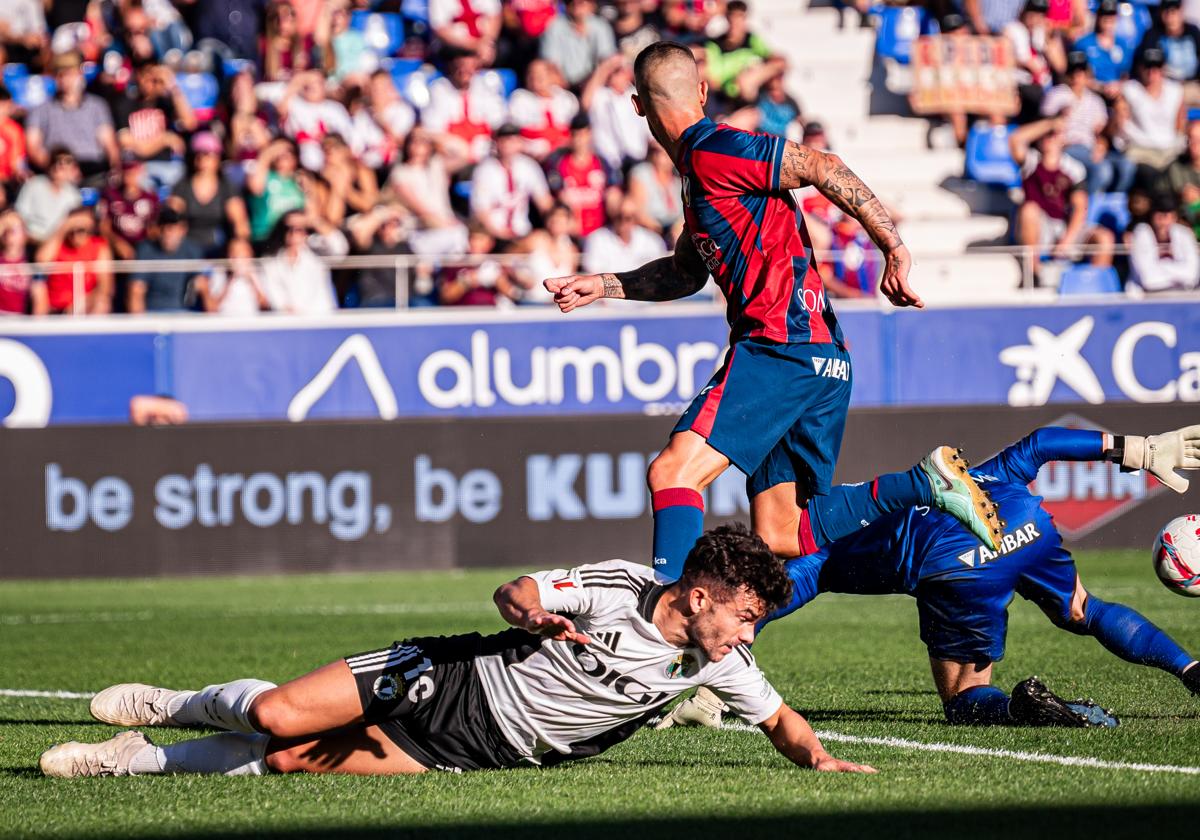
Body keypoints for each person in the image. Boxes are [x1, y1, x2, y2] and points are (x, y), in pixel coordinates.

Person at [545, 41, 1003, 585]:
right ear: (702, 90)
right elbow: (685, 273)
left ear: (638, 106)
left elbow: (821, 165)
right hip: (821, 357)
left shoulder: (717, 149)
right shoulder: (699, 176)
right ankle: (925, 484)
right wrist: (604, 285)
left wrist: (894, 248)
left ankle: (665, 628)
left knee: (673, 473)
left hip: (779, 348)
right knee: (781, 531)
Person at [42, 524, 876, 778]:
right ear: (698, 597)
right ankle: (170, 705)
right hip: (448, 681)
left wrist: (824, 762)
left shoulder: (720, 662)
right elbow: (516, 592)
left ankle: (130, 761)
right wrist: (532, 617)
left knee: (291, 762)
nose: (746, 633)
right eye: (741, 615)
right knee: (274, 714)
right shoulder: (620, 585)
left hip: (486, 752)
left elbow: (783, 722)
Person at [662, 425, 1200, 730]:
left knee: (963, 696)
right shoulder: (998, 470)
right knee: (1082, 607)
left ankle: (688, 655)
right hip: (1026, 527)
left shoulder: (863, 521)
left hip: (949, 561)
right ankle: (1190, 668)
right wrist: (1135, 449)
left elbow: (812, 567)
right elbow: (1042, 443)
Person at [1009, 114, 1115, 281]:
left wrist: (1067, 240)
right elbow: (1015, 139)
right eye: (1047, 135)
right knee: (1029, 210)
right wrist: (1050, 123)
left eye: (1054, 134)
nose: (1050, 138)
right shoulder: (1031, 162)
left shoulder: (1074, 168)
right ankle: (1034, 274)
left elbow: (1081, 207)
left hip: (1065, 226)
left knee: (1104, 238)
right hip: (1039, 226)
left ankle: (1094, 285)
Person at [1041, 50, 1134, 194]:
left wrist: (1101, 146)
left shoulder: (1095, 101)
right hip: (1068, 145)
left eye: (1081, 71)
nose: (1077, 76)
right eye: (1073, 71)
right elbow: (1044, 127)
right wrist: (1058, 118)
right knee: (1103, 171)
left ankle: (1109, 204)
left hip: (1090, 146)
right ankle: (1085, 209)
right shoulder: (1057, 94)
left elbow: (1101, 133)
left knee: (1127, 166)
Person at [24, 51, 118, 181]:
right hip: (56, 171)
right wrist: (59, 170)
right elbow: (33, 148)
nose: (64, 80)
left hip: (92, 168)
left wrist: (115, 170)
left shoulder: (97, 106)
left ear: (80, 75)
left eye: (69, 74)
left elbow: (109, 144)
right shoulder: (40, 110)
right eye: (59, 75)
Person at [112, 57, 197, 190]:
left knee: (183, 182)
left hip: (167, 165)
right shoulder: (125, 103)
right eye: (146, 75)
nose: (150, 81)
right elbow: (125, 141)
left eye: (155, 77)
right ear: (137, 76)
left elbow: (189, 123)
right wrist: (164, 139)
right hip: (137, 167)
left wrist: (173, 87)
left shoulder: (165, 103)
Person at [387, 127, 470, 257]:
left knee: (459, 237)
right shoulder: (401, 172)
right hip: (420, 231)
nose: (418, 145)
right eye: (414, 141)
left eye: (423, 141)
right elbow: (418, 207)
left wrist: (430, 134)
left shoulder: (436, 166)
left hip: (445, 227)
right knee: (457, 236)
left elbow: (463, 152)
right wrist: (443, 222)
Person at [168, 132, 251, 256]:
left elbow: (240, 224)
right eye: (198, 154)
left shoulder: (226, 187)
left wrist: (239, 243)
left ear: (217, 158)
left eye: (208, 154)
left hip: (219, 246)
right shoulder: (182, 186)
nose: (202, 158)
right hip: (187, 246)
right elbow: (171, 218)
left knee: (240, 247)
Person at [469, 123, 553, 244]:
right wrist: (502, 234)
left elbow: (544, 202)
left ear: (520, 142)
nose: (508, 144)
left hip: (522, 232)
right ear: (496, 143)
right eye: (504, 140)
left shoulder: (528, 166)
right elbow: (481, 211)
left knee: (545, 241)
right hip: (493, 235)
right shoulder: (485, 170)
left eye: (512, 140)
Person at [544, 112, 621, 238]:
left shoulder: (603, 164)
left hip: (602, 231)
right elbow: (559, 199)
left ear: (590, 134)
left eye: (583, 134)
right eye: (576, 135)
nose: (580, 139)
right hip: (572, 232)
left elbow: (614, 195)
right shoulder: (559, 164)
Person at [260, 210, 343, 315]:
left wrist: (313, 221)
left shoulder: (316, 247)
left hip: (321, 319)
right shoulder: (272, 261)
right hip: (290, 322)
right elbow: (274, 294)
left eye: (299, 228)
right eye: (288, 228)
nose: (294, 233)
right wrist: (286, 310)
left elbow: (340, 247)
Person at [127, 207, 207, 313]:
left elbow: (203, 286)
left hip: (184, 314)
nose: (168, 234)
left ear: (183, 230)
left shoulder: (192, 250)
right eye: (165, 228)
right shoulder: (145, 250)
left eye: (173, 229)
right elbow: (136, 291)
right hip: (152, 313)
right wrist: (141, 325)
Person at [36, 206, 114, 315]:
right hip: (56, 308)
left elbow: (105, 286)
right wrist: (64, 227)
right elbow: (41, 261)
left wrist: (79, 305)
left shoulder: (99, 246)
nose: (76, 233)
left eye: (81, 229)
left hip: (86, 306)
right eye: (73, 228)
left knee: (102, 303)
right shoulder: (58, 244)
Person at [508, 59, 579, 160]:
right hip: (533, 157)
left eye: (542, 73)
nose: (536, 77)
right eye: (532, 73)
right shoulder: (520, 99)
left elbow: (576, 132)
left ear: (552, 76)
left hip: (565, 155)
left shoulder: (566, 99)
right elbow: (516, 135)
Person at [1128, 193, 1200, 292]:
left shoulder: (1184, 233)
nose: (1164, 221)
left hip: (1182, 295)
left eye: (1169, 216)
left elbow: (1192, 276)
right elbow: (1148, 280)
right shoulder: (1141, 233)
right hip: (1147, 298)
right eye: (1160, 216)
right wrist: (1178, 272)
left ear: (1175, 217)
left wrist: (1161, 268)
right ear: (1152, 216)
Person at [346, 204, 413, 307]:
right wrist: (383, 213)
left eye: (396, 223)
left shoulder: (406, 246)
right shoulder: (371, 244)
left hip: (404, 302)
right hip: (375, 301)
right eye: (386, 223)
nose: (391, 227)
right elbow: (360, 235)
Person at [581, 197, 669, 275]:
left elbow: (659, 272)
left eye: (628, 217)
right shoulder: (596, 239)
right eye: (619, 216)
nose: (623, 221)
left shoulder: (652, 240)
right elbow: (593, 273)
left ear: (635, 218)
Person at [541, 0, 616, 89]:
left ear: (592, 5)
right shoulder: (554, 26)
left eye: (581, 2)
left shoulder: (601, 26)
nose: (577, 6)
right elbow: (551, 64)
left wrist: (591, 85)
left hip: (595, 85)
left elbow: (607, 61)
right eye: (572, 2)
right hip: (562, 86)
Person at [1135, 0, 1200, 102]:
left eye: (1174, 11)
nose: (1170, 17)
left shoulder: (1193, 31)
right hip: (1166, 86)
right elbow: (1145, 65)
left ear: (1181, 11)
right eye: (1166, 12)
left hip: (1192, 84)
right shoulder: (1153, 34)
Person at [14, 146, 82, 244]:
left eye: (67, 162)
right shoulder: (33, 185)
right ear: (50, 163)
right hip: (31, 240)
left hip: (59, 243)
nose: (60, 165)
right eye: (57, 161)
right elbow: (19, 215)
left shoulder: (74, 195)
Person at [247, 138, 306, 245]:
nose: (281, 156)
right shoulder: (266, 177)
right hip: (266, 237)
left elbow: (313, 211)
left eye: (288, 152)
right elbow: (255, 187)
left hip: (294, 239)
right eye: (278, 152)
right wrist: (267, 154)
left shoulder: (301, 180)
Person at [98, 158, 160, 261]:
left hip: (142, 247)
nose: (130, 175)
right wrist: (117, 243)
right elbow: (103, 227)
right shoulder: (109, 195)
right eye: (126, 171)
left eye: (133, 171)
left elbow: (153, 229)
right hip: (116, 246)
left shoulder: (151, 198)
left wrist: (145, 248)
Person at [1073, 0, 1131, 96]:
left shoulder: (1123, 44)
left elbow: (1125, 74)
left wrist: (1118, 86)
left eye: (1112, 15)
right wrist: (1101, 87)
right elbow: (1076, 76)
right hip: (1090, 93)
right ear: (1098, 16)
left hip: (1117, 93)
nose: (1108, 19)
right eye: (1105, 15)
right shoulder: (1083, 43)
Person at [198, 238, 270, 316]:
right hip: (226, 321)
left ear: (249, 254)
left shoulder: (258, 273)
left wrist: (251, 279)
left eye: (241, 254)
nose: (235, 257)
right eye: (233, 253)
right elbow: (212, 308)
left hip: (251, 321)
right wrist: (231, 279)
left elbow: (264, 305)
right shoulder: (220, 273)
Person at [0, 212, 47, 315]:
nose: (10, 231)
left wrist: (34, 328)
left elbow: (40, 302)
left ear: (25, 233)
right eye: (6, 227)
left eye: (15, 228)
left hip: (20, 322)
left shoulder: (32, 260)